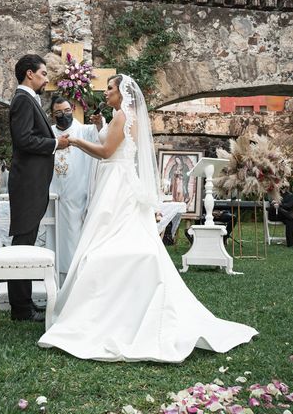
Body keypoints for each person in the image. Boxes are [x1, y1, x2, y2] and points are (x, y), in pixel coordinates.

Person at [38, 75, 257, 362]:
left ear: (123, 94)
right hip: (113, 180)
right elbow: (110, 141)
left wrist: (76, 141)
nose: (107, 93)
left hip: (116, 182)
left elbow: (106, 153)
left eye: (111, 89)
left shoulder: (123, 116)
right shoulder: (118, 116)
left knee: (107, 238)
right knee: (106, 238)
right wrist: (98, 128)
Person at [8, 54, 70, 322]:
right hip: (27, 184)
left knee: (26, 240)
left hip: (32, 183)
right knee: (23, 241)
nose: (47, 79)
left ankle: (24, 303)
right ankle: (21, 309)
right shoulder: (22, 100)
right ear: (30, 74)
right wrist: (56, 144)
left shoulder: (28, 99)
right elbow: (23, 140)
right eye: (44, 74)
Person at [49, 96, 103, 285]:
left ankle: (75, 278)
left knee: (74, 235)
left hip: (78, 194)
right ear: (52, 114)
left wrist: (99, 124)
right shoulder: (48, 133)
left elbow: (101, 138)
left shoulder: (84, 130)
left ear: (72, 109)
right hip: (53, 195)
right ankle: (54, 277)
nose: (63, 115)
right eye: (58, 113)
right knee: (53, 235)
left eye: (66, 111)